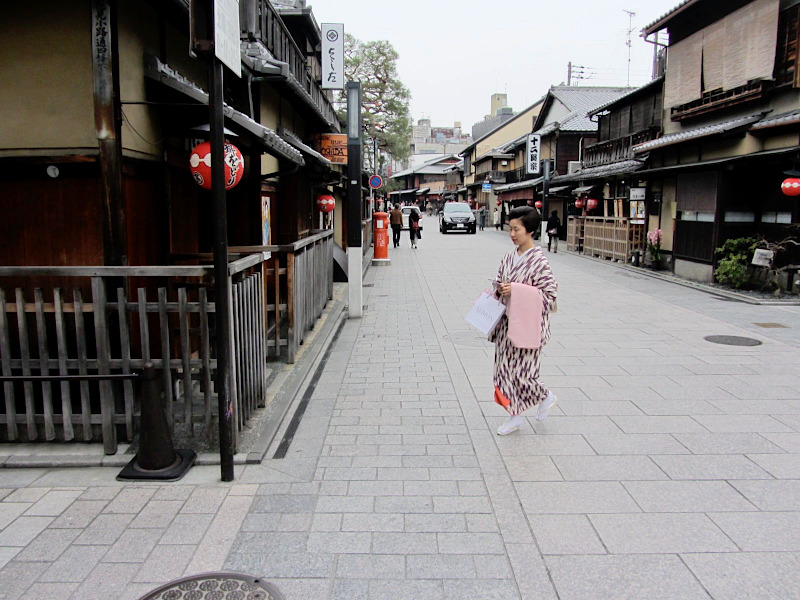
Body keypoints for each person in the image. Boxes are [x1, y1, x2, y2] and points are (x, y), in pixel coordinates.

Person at [491, 206, 558, 435]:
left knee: (523, 374)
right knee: (503, 372)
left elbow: (549, 297)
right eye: (510, 229)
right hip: (506, 326)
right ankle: (515, 416)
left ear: (529, 231)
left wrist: (517, 291)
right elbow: (500, 281)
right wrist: (500, 289)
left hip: (527, 327)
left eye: (516, 229)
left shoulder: (540, 262)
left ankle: (545, 395)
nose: (512, 234)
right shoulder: (508, 258)